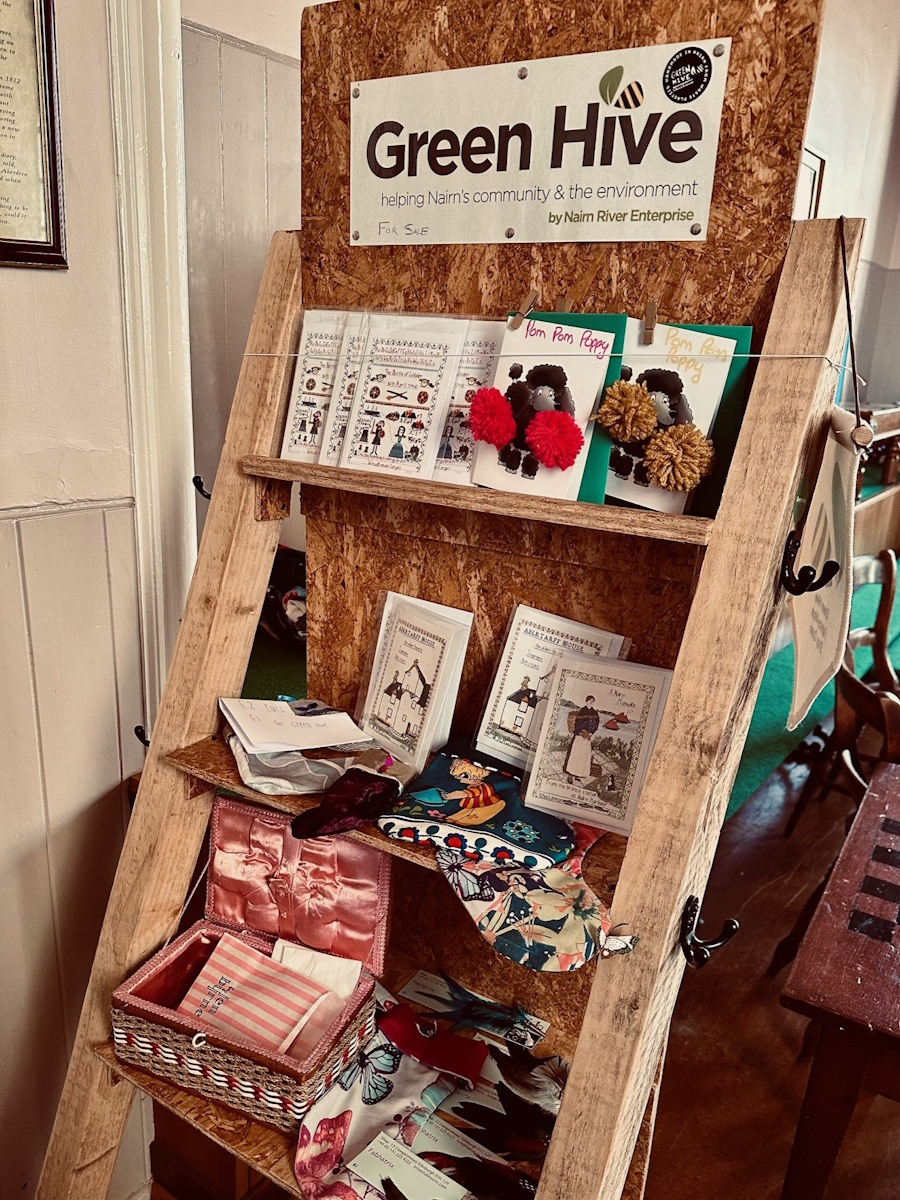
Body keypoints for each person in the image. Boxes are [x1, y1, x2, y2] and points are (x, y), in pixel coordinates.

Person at [564, 695, 600, 783]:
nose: (591, 702)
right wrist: (581, 732)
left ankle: (578, 774)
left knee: (583, 756)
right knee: (575, 755)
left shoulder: (595, 713)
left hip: (587, 737)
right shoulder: (582, 711)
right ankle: (570, 774)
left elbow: (596, 725)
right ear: (586, 701)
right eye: (589, 701)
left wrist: (590, 733)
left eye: (592, 701)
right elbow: (577, 723)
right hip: (580, 736)